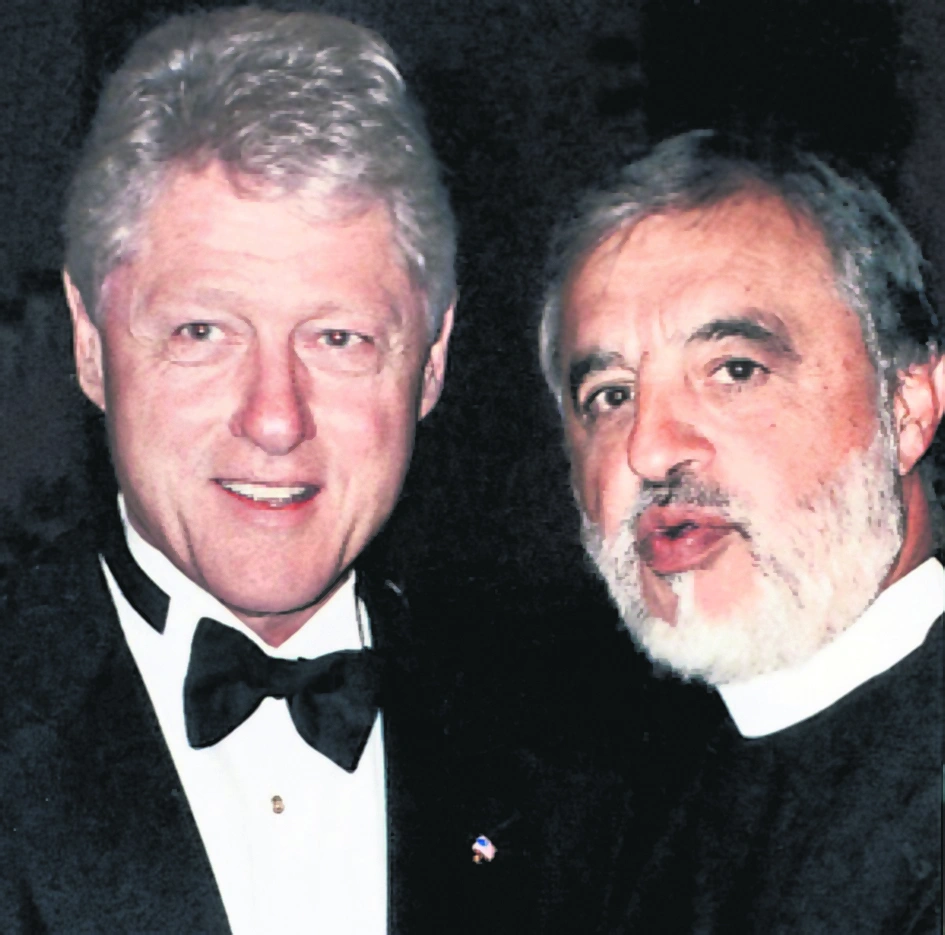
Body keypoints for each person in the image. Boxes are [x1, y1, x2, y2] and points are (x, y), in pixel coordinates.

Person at [0, 8, 528, 933]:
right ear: (89, 343)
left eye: (339, 337)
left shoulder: (568, 756)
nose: (275, 418)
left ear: (432, 358)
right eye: (202, 332)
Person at [538, 129, 943, 933]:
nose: (649, 448)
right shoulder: (612, 811)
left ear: (905, 409)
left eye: (733, 369)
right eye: (610, 394)